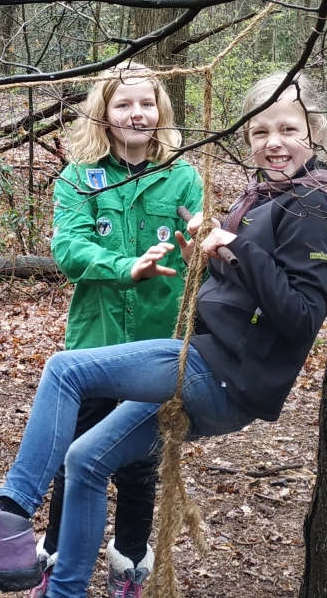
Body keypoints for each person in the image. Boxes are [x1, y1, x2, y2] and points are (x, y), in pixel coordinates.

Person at [0, 71, 327, 598]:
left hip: (221, 370)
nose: (274, 143)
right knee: (84, 459)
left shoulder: (312, 203)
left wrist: (233, 248)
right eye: (259, 132)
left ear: (315, 129)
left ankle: (9, 521)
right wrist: (212, 255)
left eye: (288, 129)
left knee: (64, 374)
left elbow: (300, 315)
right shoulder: (270, 194)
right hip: (192, 353)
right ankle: (62, 590)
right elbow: (243, 285)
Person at [40, 63, 203, 598]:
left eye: (147, 103)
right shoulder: (79, 176)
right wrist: (125, 267)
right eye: (124, 104)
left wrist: (203, 241)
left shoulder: (182, 175)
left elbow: (201, 244)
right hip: (95, 345)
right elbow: (68, 249)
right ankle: (57, 563)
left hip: (159, 348)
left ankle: (130, 568)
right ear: (104, 114)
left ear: (162, 111)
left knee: (138, 465)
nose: (137, 113)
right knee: (74, 456)